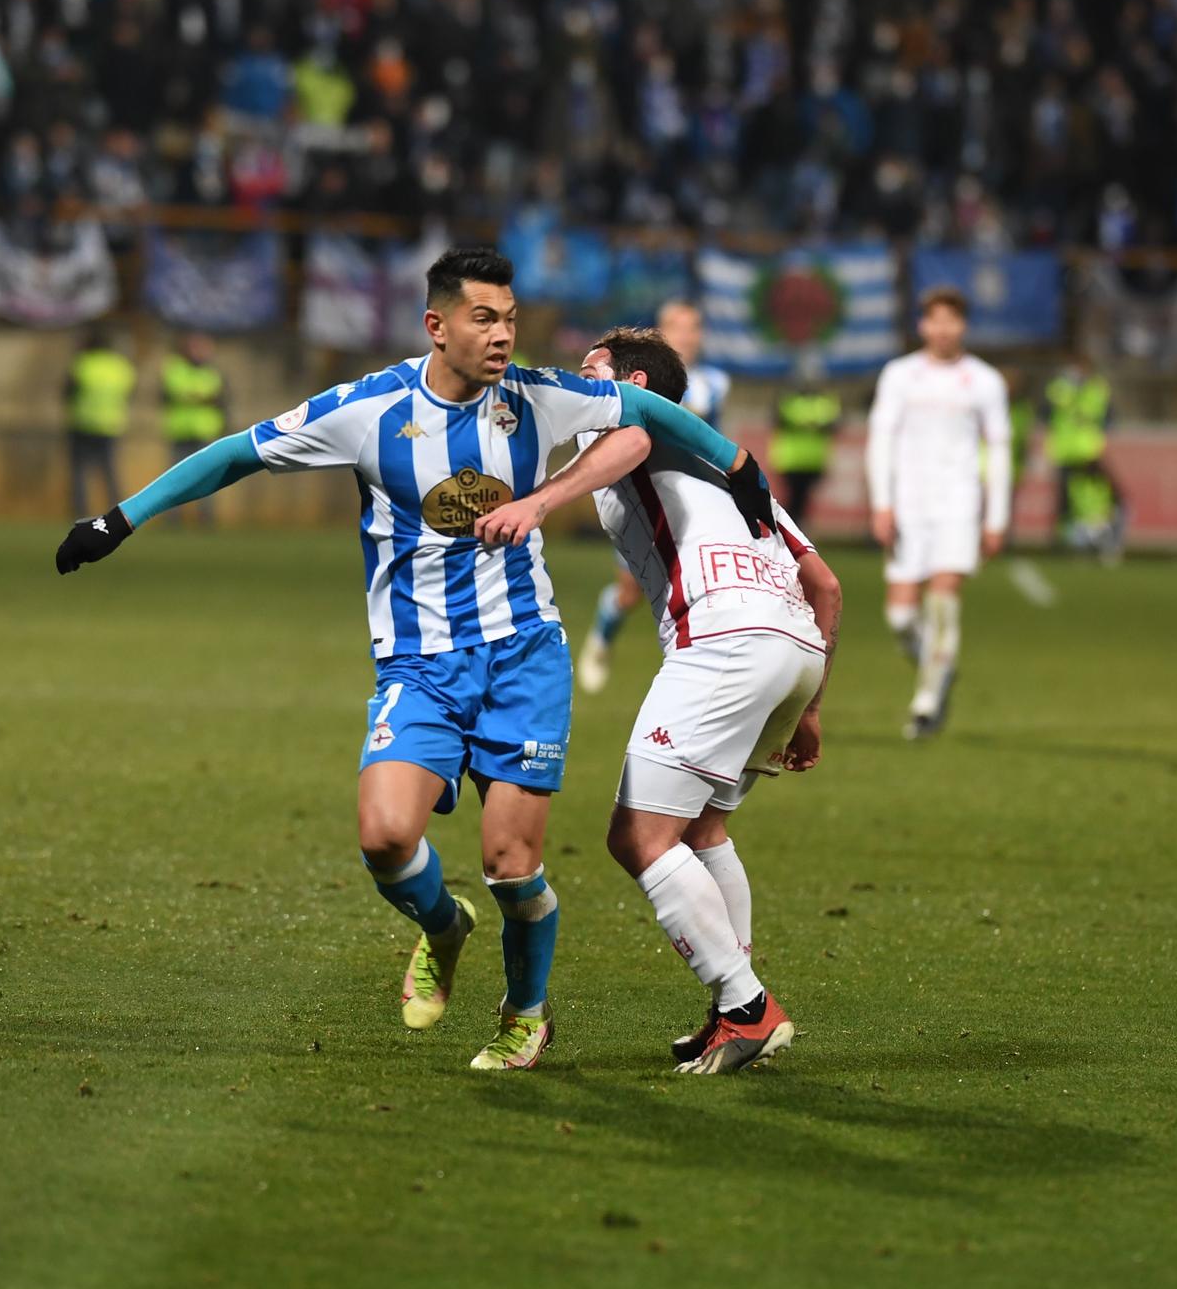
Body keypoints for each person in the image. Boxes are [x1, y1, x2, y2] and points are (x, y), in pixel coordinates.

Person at [54, 247, 778, 1071]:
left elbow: (654, 416)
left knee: (512, 867)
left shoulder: (538, 397)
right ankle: (443, 925)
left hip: (524, 657)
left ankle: (525, 1016)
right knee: (386, 836)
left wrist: (739, 465)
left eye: (509, 318)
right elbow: (233, 454)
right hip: (419, 665)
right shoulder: (369, 408)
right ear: (436, 325)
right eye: (484, 319)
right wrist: (120, 519)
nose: (503, 334)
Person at [475, 326, 841, 1074]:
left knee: (639, 838)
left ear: (633, 383)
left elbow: (632, 437)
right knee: (704, 831)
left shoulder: (635, 428)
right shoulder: (728, 464)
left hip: (724, 640)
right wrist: (808, 706)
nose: (582, 382)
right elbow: (826, 585)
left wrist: (541, 500)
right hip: (795, 647)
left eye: (593, 370)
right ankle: (728, 1013)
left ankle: (746, 1006)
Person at [865, 286, 1012, 740]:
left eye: (952, 320)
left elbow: (1001, 449)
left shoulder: (984, 381)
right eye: (935, 319)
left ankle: (926, 703)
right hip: (909, 506)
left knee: (944, 599)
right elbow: (882, 439)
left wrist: (996, 518)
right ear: (923, 325)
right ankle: (940, 668)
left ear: (962, 326)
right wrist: (882, 503)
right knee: (901, 618)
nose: (943, 329)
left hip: (958, 505)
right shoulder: (899, 375)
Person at [576, 298, 731, 694]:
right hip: (644, 495)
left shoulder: (714, 381)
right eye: (678, 327)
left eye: (693, 327)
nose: (687, 336)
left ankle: (697, 667)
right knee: (631, 590)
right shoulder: (639, 379)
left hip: (690, 497)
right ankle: (601, 639)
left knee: (697, 582)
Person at [1045, 355, 1128, 559]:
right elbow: (1048, 411)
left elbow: (1107, 417)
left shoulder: (1097, 388)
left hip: (1088, 451)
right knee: (1067, 499)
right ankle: (1065, 541)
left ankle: (1094, 537)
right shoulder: (1060, 388)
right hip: (1067, 452)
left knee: (1103, 497)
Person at [159, 331, 228, 527]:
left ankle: (206, 518)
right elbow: (174, 392)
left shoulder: (212, 371)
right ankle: (173, 519)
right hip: (180, 430)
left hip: (205, 431)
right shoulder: (175, 368)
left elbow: (219, 399)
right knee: (175, 478)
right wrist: (200, 397)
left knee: (207, 479)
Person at [65, 326, 136, 517]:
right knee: (110, 472)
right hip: (111, 425)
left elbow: (68, 391)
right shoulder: (121, 366)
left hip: (83, 423)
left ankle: (80, 512)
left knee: (80, 473)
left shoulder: (83, 363)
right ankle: (120, 514)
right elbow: (129, 393)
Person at [768, 383, 842, 526]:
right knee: (794, 500)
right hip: (791, 460)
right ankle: (788, 530)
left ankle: (791, 530)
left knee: (800, 501)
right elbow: (777, 420)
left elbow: (835, 425)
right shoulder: (791, 401)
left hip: (809, 460)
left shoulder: (821, 402)